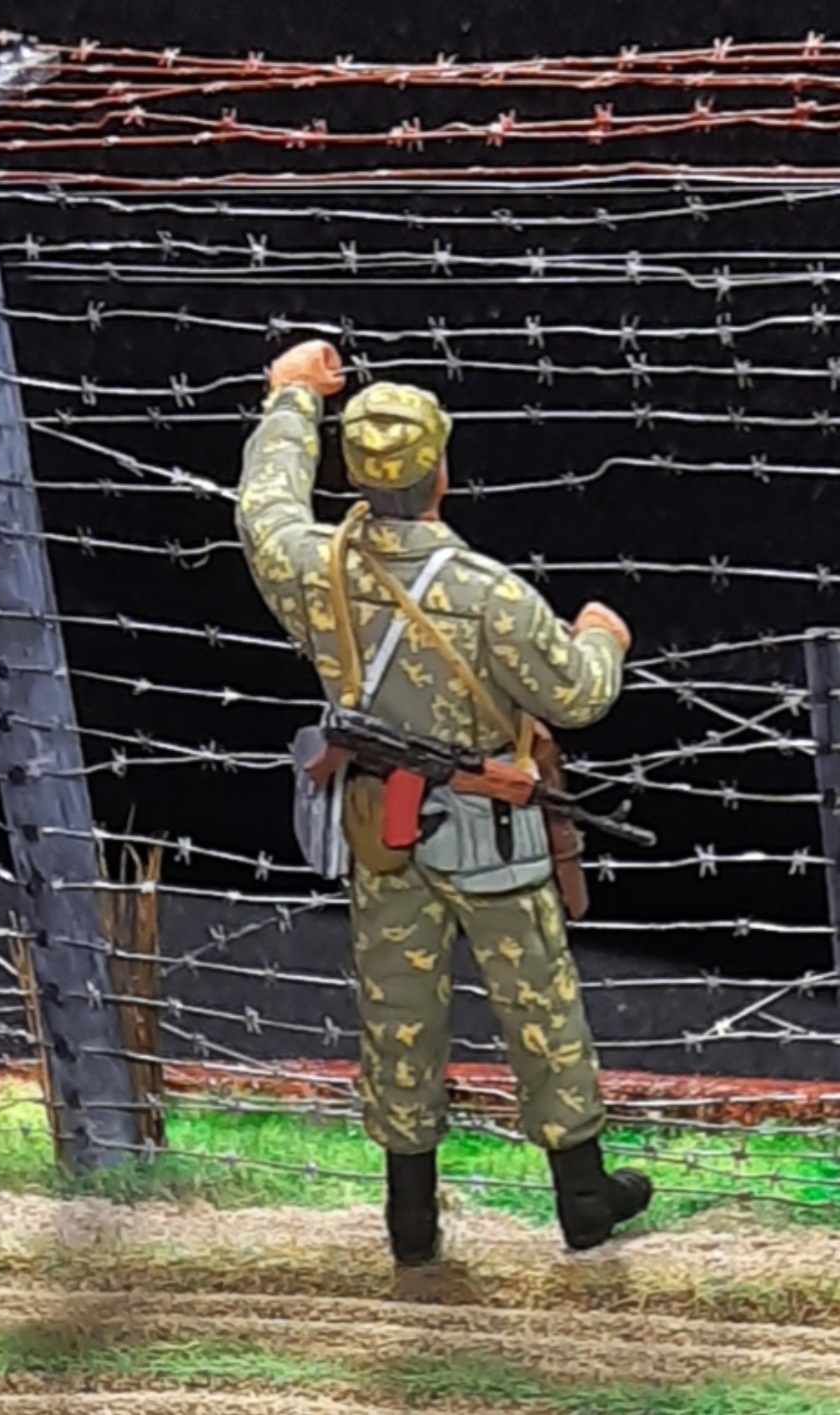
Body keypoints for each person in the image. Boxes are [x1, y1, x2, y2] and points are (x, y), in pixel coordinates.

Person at [235, 337, 652, 1267]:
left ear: (355, 474)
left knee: (398, 1010)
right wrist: (603, 636)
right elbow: (577, 695)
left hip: (385, 831)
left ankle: (411, 1215)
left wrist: (292, 398)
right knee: (539, 1001)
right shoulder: (488, 594)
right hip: (490, 835)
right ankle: (584, 1194)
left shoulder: (316, 568)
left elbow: (264, 508)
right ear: (440, 474)